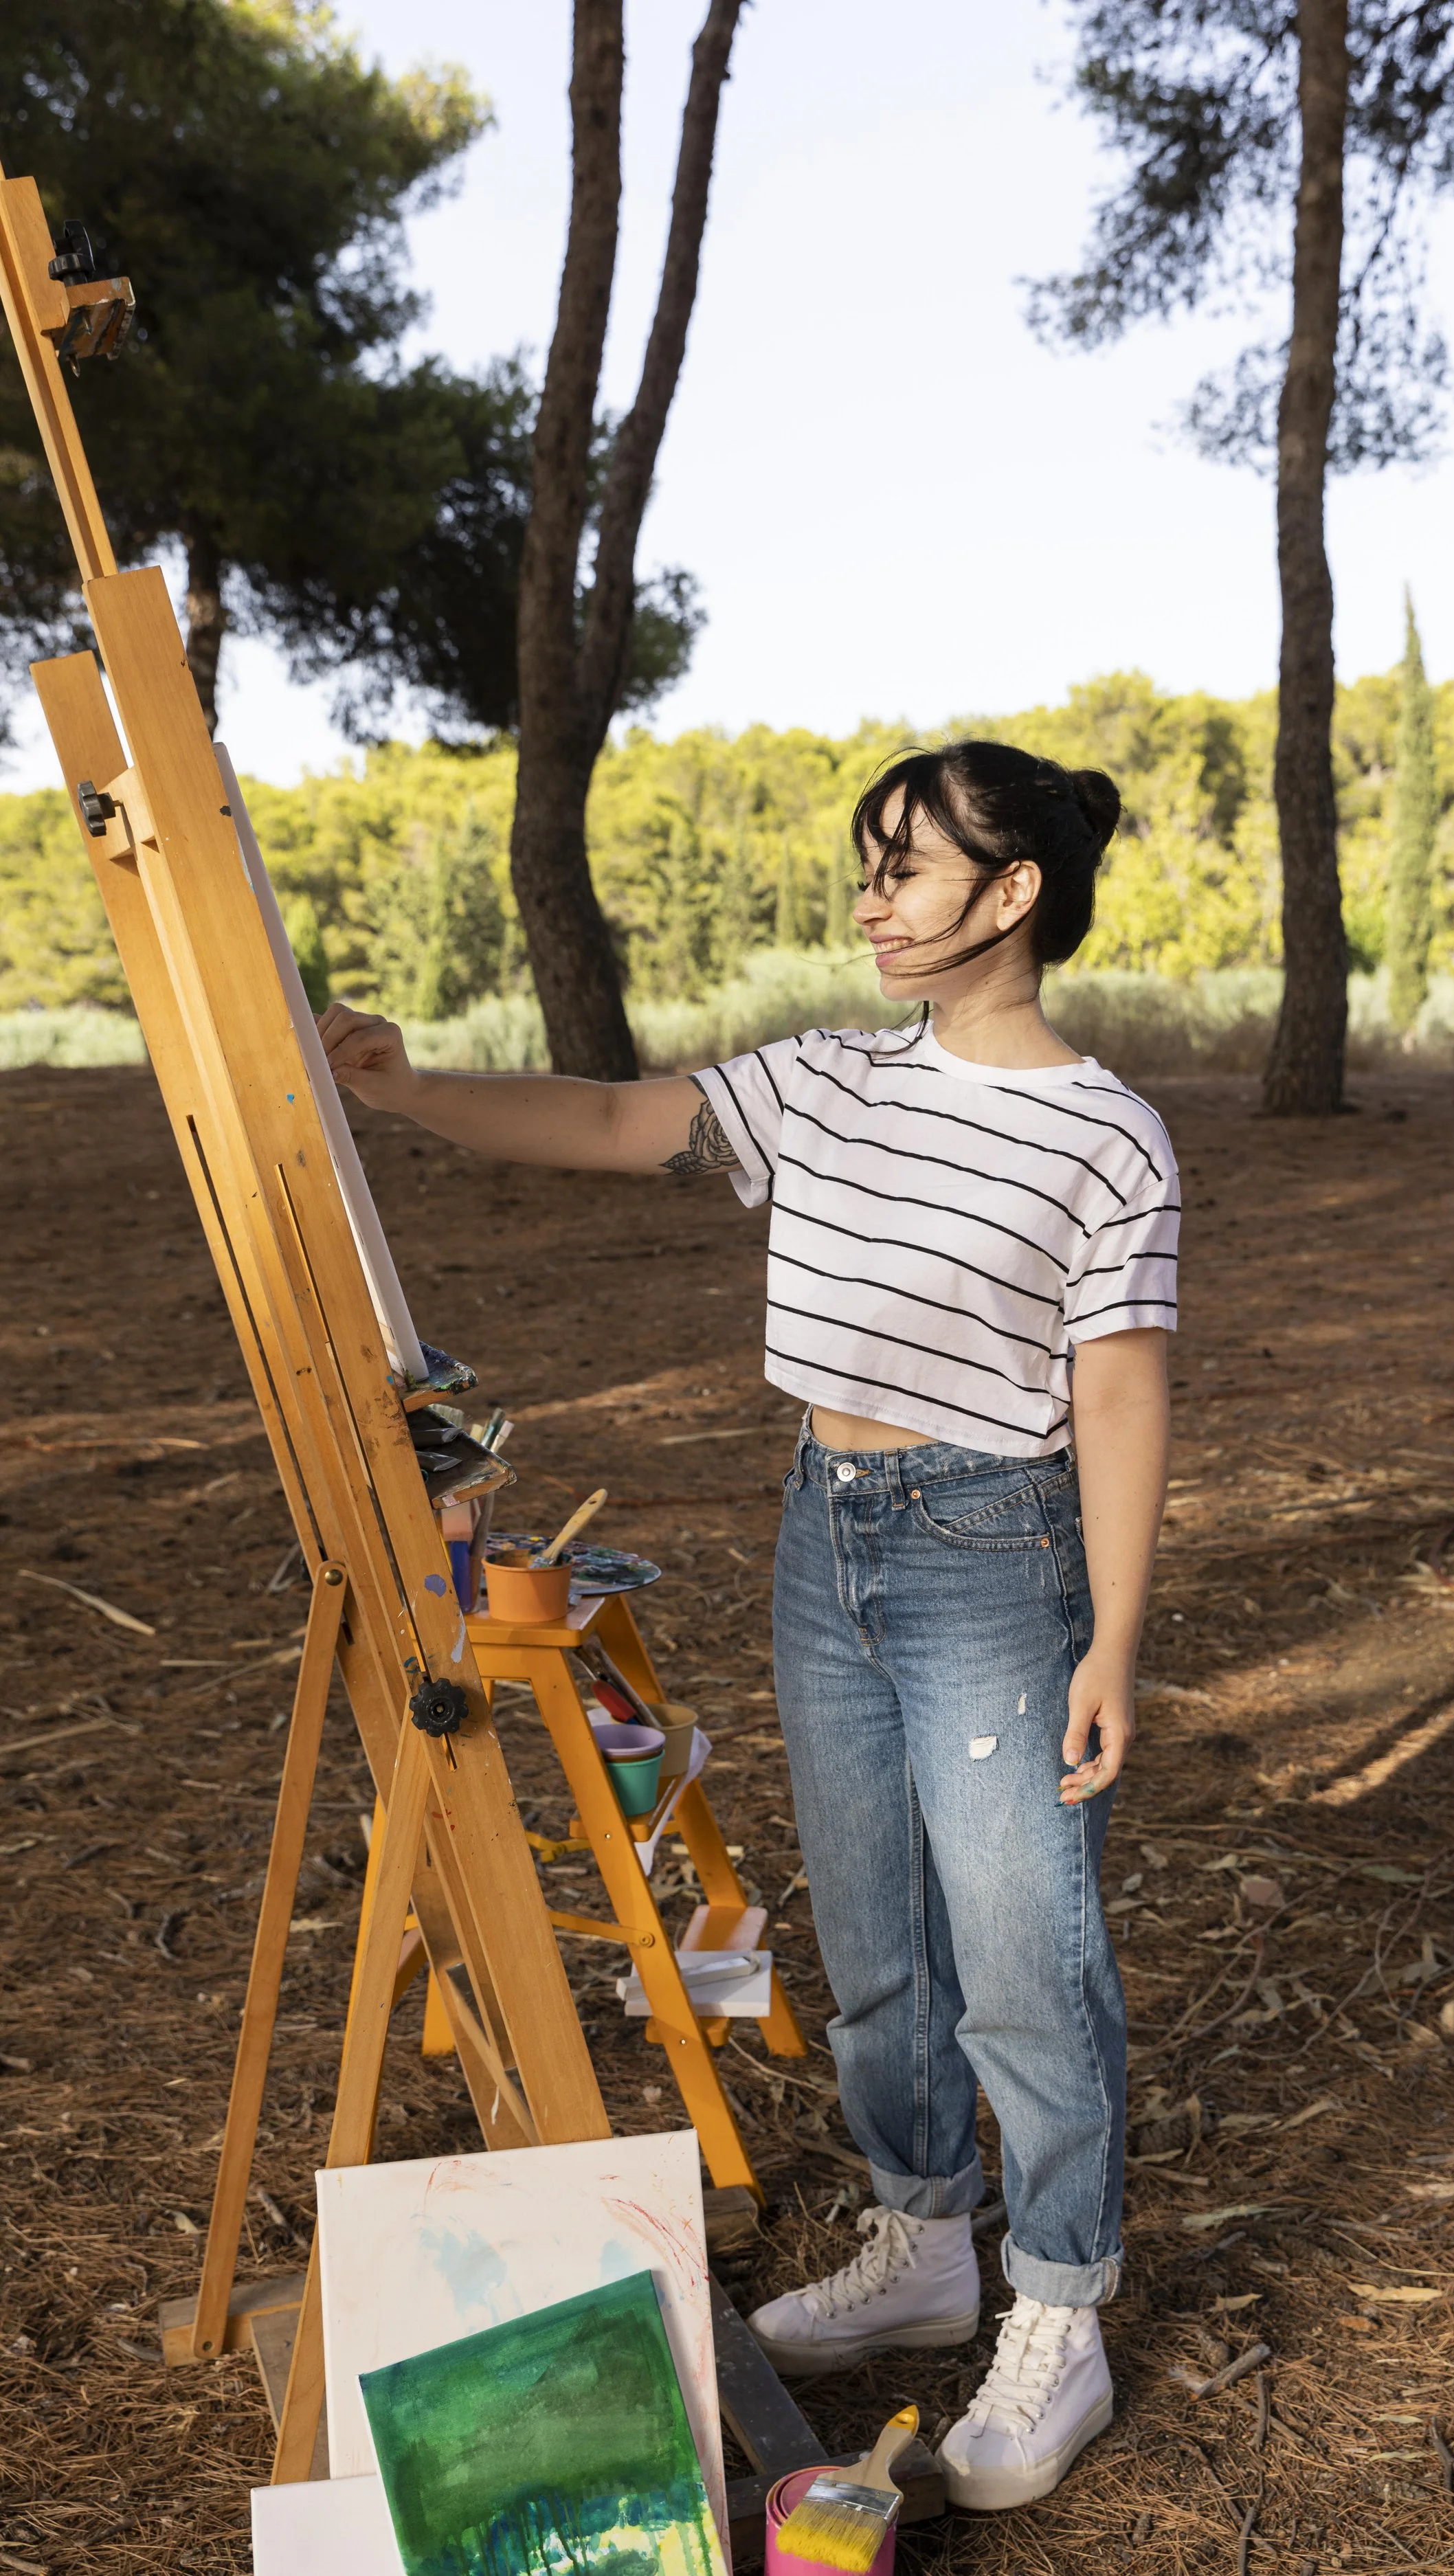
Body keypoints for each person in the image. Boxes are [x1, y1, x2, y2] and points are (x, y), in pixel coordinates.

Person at [318, 740, 1178, 2509]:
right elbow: (624, 1119)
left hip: (989, 1548)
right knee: (867, 1932)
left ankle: (1058, 2303)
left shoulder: (1106, 1131)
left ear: (1010, 896)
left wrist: (1110, 1638)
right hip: (827, 1530)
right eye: (865, 862)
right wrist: (407, 1093)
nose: (868, 896)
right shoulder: (827, 1076)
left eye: (906, 868)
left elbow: (1117, 1389)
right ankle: (922, 2232)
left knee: (1023, 1952)